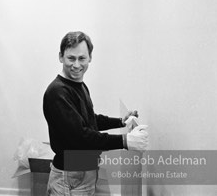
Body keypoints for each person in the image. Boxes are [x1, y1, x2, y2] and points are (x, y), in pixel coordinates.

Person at [43, 31, 149, 196]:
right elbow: (80, 136)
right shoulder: (57, 92)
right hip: (70, 177)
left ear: (90, 58)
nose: (77, 65)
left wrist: (120, 122)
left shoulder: (79, 85)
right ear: (60, 57)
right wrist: (125, 141)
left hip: (84, 172)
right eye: (71, 58)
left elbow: (89, 120)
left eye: (82, 58)